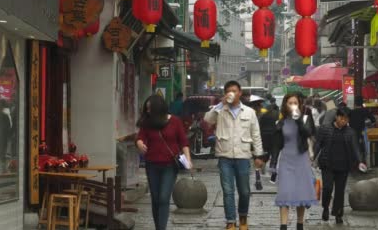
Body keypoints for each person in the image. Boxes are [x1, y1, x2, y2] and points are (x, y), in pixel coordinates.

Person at [204, 81, 265, 230]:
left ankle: (243, 217)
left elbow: (256, 135)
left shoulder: (249, 112)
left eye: (234, 91)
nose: (231, 93)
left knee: (244, 191)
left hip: (243, 156)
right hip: (224, 156)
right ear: (225, 94)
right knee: (228, 190)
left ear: (240, 93)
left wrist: (259, 155)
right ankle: (230, 221)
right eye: (228, 91)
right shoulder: (220, 110)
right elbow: (207, 120)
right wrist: (220, 104)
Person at [136, 95, 192, 230]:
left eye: (150, 108)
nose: (148, 111)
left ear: (158, 108)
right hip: (152, 165)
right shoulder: (148, 122)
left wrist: (188, 159)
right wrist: (139, 143)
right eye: (146, 109)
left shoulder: (175, 121)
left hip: (170, 165)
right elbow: (140, 137)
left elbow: (183, 142)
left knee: (163, 198)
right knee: (155, 199)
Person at [270, 93, 317, 230]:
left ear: (299, 104)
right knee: (285, 192)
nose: (292, 105)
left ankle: (300, 224)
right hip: (286, 161)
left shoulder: (306, 118)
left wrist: (298, 119)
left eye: (295, 103)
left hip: (301, 160)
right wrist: (273, 163)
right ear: (285, 105)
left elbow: (308, 133)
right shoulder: (281, 122)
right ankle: (283, 226)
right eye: (289, 103)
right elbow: (276, 145)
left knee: (301, 193)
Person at [315, 107, 364, 224]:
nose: (344, 121)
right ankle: (326, 207)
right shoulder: (325, 129)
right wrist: (312, 157)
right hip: (327, 164)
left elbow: (355, 148)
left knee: (340, 191)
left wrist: (360, 161)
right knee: (327, 188)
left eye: (346, 119)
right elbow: (318, 145)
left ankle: (338, 214)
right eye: (342, 118)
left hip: (343, 165)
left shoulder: (350, 132)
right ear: (337, 117)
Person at [349, 96, 376, 161]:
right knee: (365, 148)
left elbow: (349, 123)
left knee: (355, 147)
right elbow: (373, 120)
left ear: (355, 103)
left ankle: (356, 161)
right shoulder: (365, 111)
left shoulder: (351, 112)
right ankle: (366, 161)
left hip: (354, 133)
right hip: (363, 132)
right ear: (362, 103)